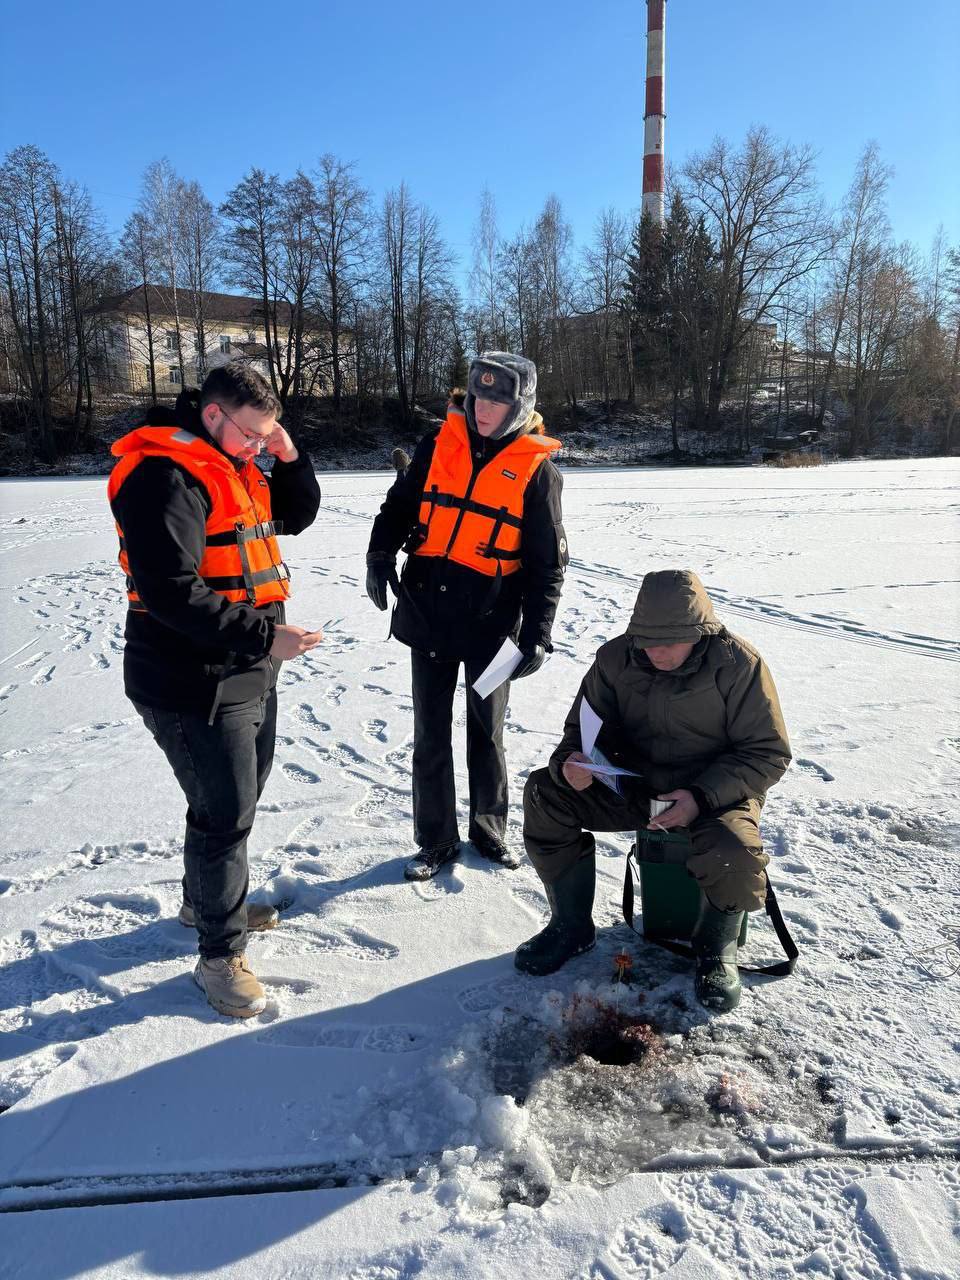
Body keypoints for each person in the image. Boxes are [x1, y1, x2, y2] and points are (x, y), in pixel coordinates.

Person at [107, 363, 322, 1018]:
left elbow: (293, 516)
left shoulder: (231, 461)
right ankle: (219, 955)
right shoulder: (161, 476)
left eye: (268, 435)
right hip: (187, 678)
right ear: (212, 416)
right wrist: (263, 637)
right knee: (224, 810)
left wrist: (288, 457)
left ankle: (206, 903)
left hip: (248, 666)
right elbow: (171, 592)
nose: (261, 445)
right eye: (255, 434)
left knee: (237, 797)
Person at [515, 569, 791, 1012]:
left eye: (671, 641)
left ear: (699, 633)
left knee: (736, 853)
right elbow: (580, 730)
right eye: (648, 640)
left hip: (713, 794)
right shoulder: (615, 659)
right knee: (545, 794)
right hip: (634, 786)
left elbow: (766, 753)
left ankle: (715, 948)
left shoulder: (739, 665)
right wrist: (572, 764)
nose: (657, 652)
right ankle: (571, 926)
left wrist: (699, 797)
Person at [366, 352, 568, 880]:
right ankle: (434, 839)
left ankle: (489, 830)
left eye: (498, 399)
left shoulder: (538, 473)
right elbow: (397, 508)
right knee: (430, 731)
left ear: (518, 405)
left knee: (487, 732)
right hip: (428, 610)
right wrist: (379, 555)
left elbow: (548, 566)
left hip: (493, 624)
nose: (484, 408)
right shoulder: (437, 445)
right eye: (480, 396)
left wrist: (539, 634)